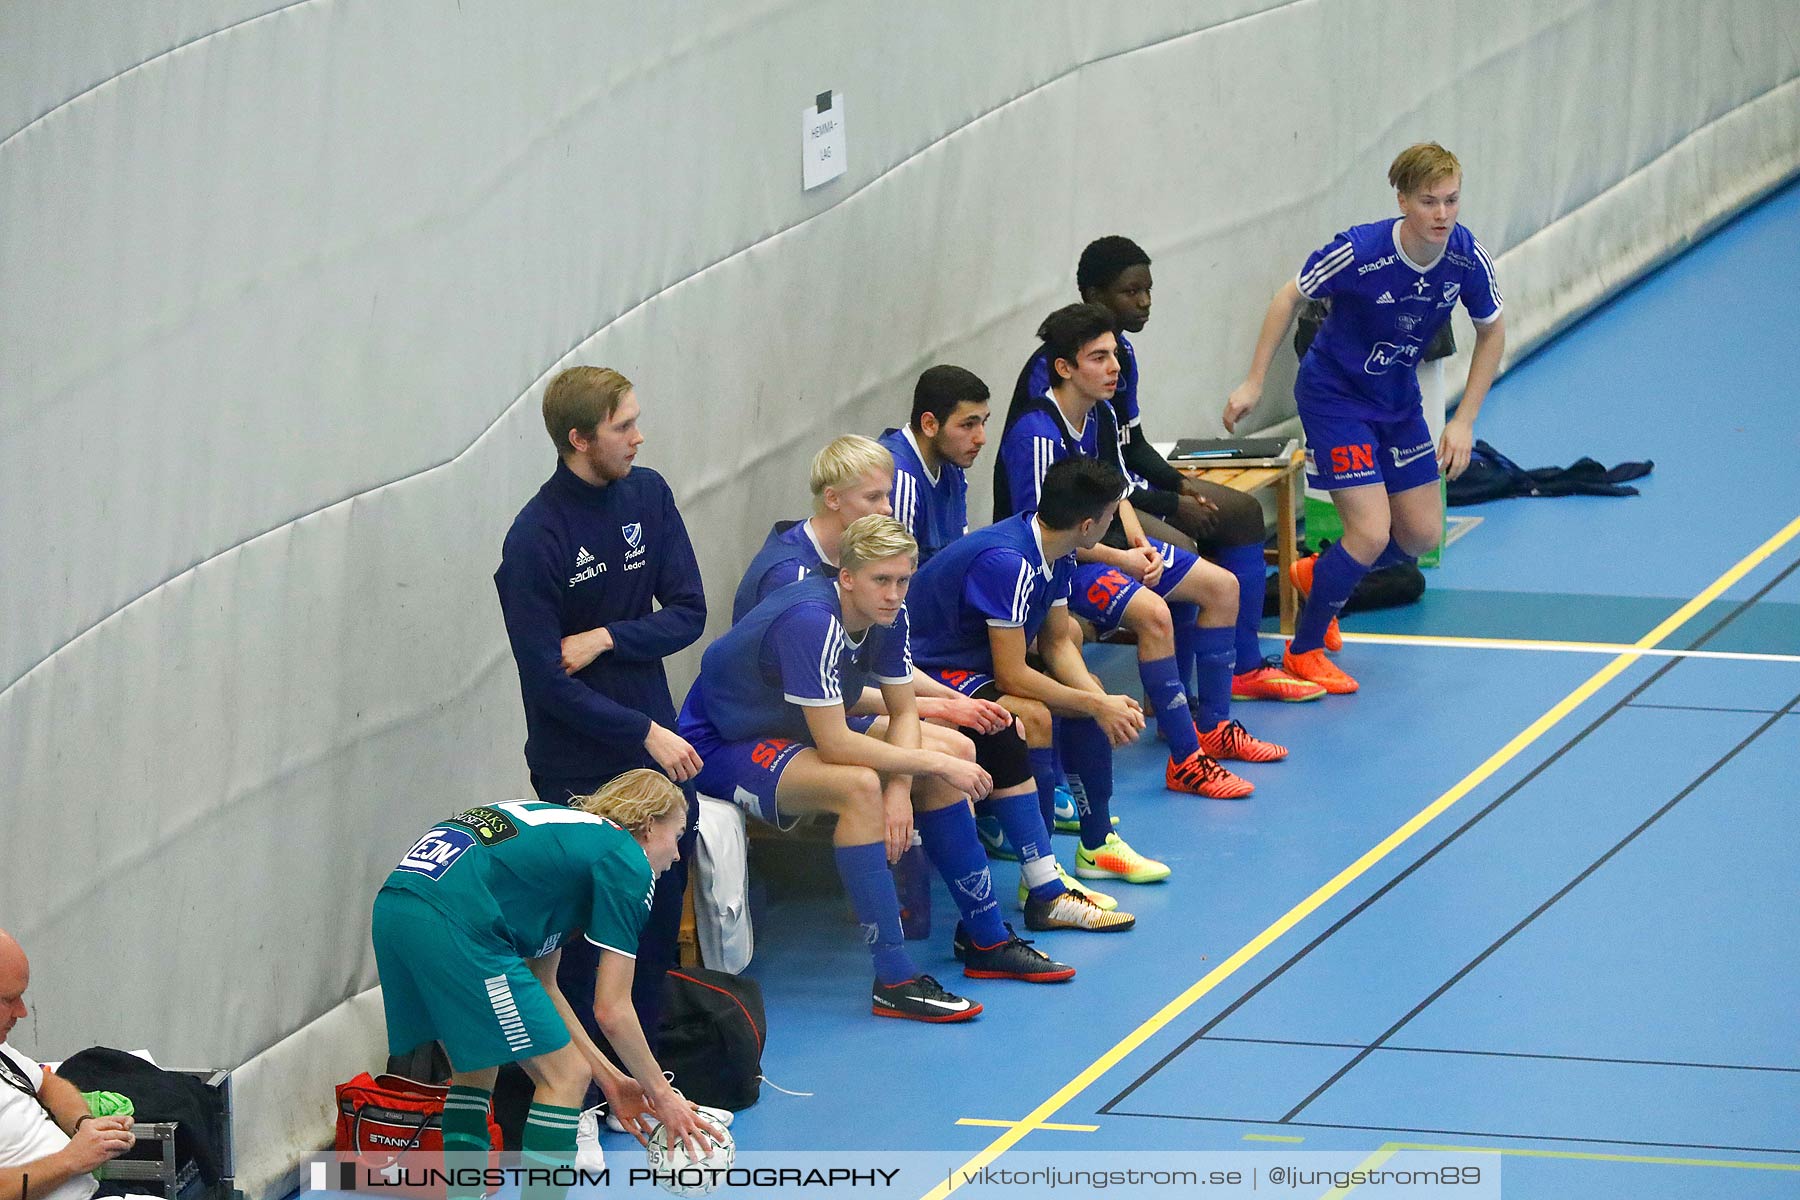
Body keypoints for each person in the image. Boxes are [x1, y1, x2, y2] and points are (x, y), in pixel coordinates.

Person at [681, 516, 1082, 1021]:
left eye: (902, 580)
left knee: (945, 759)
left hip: (795, 720)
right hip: (723, 740)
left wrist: (904, 788)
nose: (893, 593)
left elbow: (905, 708)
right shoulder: (812, 619)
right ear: (846, 577)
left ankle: (988, 940)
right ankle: (893, 978)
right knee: (858, 786)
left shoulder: (889, 615)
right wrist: (914, 770)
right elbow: (836, 741)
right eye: (880, 580)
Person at [1224, 142, 1505, 694]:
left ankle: (1317, 574)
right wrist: (1254, 380)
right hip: (1335, 398)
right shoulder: (1358, 251)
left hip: (1396, 400)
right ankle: (1303, 651)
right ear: (1402, 200)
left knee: (1422, 535)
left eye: (1452, 201)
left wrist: (1463, 419)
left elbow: (1492, 330)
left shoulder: (1466, 256)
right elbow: (1289, 298)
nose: (1443, 215)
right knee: (1371, 533)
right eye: (1429, 202)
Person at [493, 366, 706, 1065]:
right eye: (623, 427)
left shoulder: (648, 496)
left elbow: (687, 613)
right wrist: (640, 730)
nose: (639, 438)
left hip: (658, 745)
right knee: (586, 932)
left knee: (654, 910)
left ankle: (648, 1080)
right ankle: (579, 1089)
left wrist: (610, 636)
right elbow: (548, 684)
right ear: (578, 439)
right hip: (582, 760)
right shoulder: (535, 540)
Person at [371, 772, 722, 1194]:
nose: (678, 856)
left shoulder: (568, 846)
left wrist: (611, 1080)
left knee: (476, 1067)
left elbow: (545, 987)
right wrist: (664, 1096)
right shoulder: (626, 859)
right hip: (455, 919)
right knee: (565, 1077)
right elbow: (612, 1010)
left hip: (398, 907)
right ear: (648, 827)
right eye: (678, 835)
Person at [999, 303, 1287, 801]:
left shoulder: (1101, 414)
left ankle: (1213, 727)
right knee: (1155, 616)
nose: (1114, 367)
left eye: (1114, 354)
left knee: (1223, 587)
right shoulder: (1037, 436)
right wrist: (1123, 560)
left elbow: (1120, 492)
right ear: (1064, 368)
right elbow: (1042, 538)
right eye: (1098, 358)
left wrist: (1136, 541)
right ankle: (1186, 762)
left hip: (1104, 546)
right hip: (1058, 568)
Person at [1032, 236, 1323, 704]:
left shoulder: (1118, 355)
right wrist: (1171, 506)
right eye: (1131, 291)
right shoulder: (1052, 381)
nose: (1145, 301)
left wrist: (1183, 486)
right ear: (1093, 294)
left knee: (1242, 512)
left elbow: (1131, 446)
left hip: (1118, 493)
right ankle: (1169, 696)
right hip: (1088, 510)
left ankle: (1243, 666)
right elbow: (1078, 483)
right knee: (1184, 547)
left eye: (1148, 289)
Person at [913, 457, 1186, 895]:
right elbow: (1012, 676)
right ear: (1086, 524)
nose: (1114, 522)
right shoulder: (1010, 563)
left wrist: (1097, 701)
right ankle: (1039, 874)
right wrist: (1095, 705)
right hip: (931, 666)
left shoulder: (1057, 551)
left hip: (973, 659)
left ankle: (1096, 847)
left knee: (1090, 689)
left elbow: (1058, 641)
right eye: (1112, 516)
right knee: (1035, 717)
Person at [0, 931, 142, 1200]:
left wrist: (84, 1125)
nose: (22, 1012)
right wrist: (71, 1160)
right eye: (7, 999)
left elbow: (49, 1084)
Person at [877, 365, 988, 565]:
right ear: (930, 424)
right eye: (968, 425)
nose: (981, 438)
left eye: (983, 423)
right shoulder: (899, 478)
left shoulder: (953, 465)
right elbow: (895, 581)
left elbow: (958, 557)